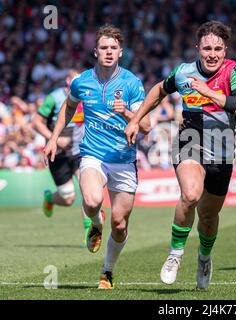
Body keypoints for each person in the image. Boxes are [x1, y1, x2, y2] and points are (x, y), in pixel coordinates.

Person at [125, 20, 236, 289]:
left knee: (208, 216)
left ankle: (204, 258)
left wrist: (208, 92)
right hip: (190, 141)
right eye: (207, 48)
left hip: (222, 148)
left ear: (225, 50)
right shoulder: (183, 72)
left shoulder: (235, 71)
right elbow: (160, 89)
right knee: (191, 194)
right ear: (198, 48)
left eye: (218, 48)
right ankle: (175, 255)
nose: (212, 54)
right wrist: (136, 118)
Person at [43, 25, 150, 289]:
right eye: (104, 47)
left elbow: (146, 126)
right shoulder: (81, 82)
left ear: (120, 52)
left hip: (124, 160)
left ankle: (107, 271)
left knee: (120, 224)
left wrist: (126, 112)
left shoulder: (131, 83)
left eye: (113, 48)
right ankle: (94, 221)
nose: (109, 52)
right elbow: (68, 108)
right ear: (96, 51)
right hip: (92, 154)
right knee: (91, 201)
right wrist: (54, 138)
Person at [33, 69, 91, 246]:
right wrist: (54, 138)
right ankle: (50, 198)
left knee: (87, 190)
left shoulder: (86, 96)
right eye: (73, 79)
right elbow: (36, 122)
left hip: (80, 152)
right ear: (67, 80)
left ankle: (90, 234)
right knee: (68, 198)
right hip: (57, 154)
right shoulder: (54, 98)